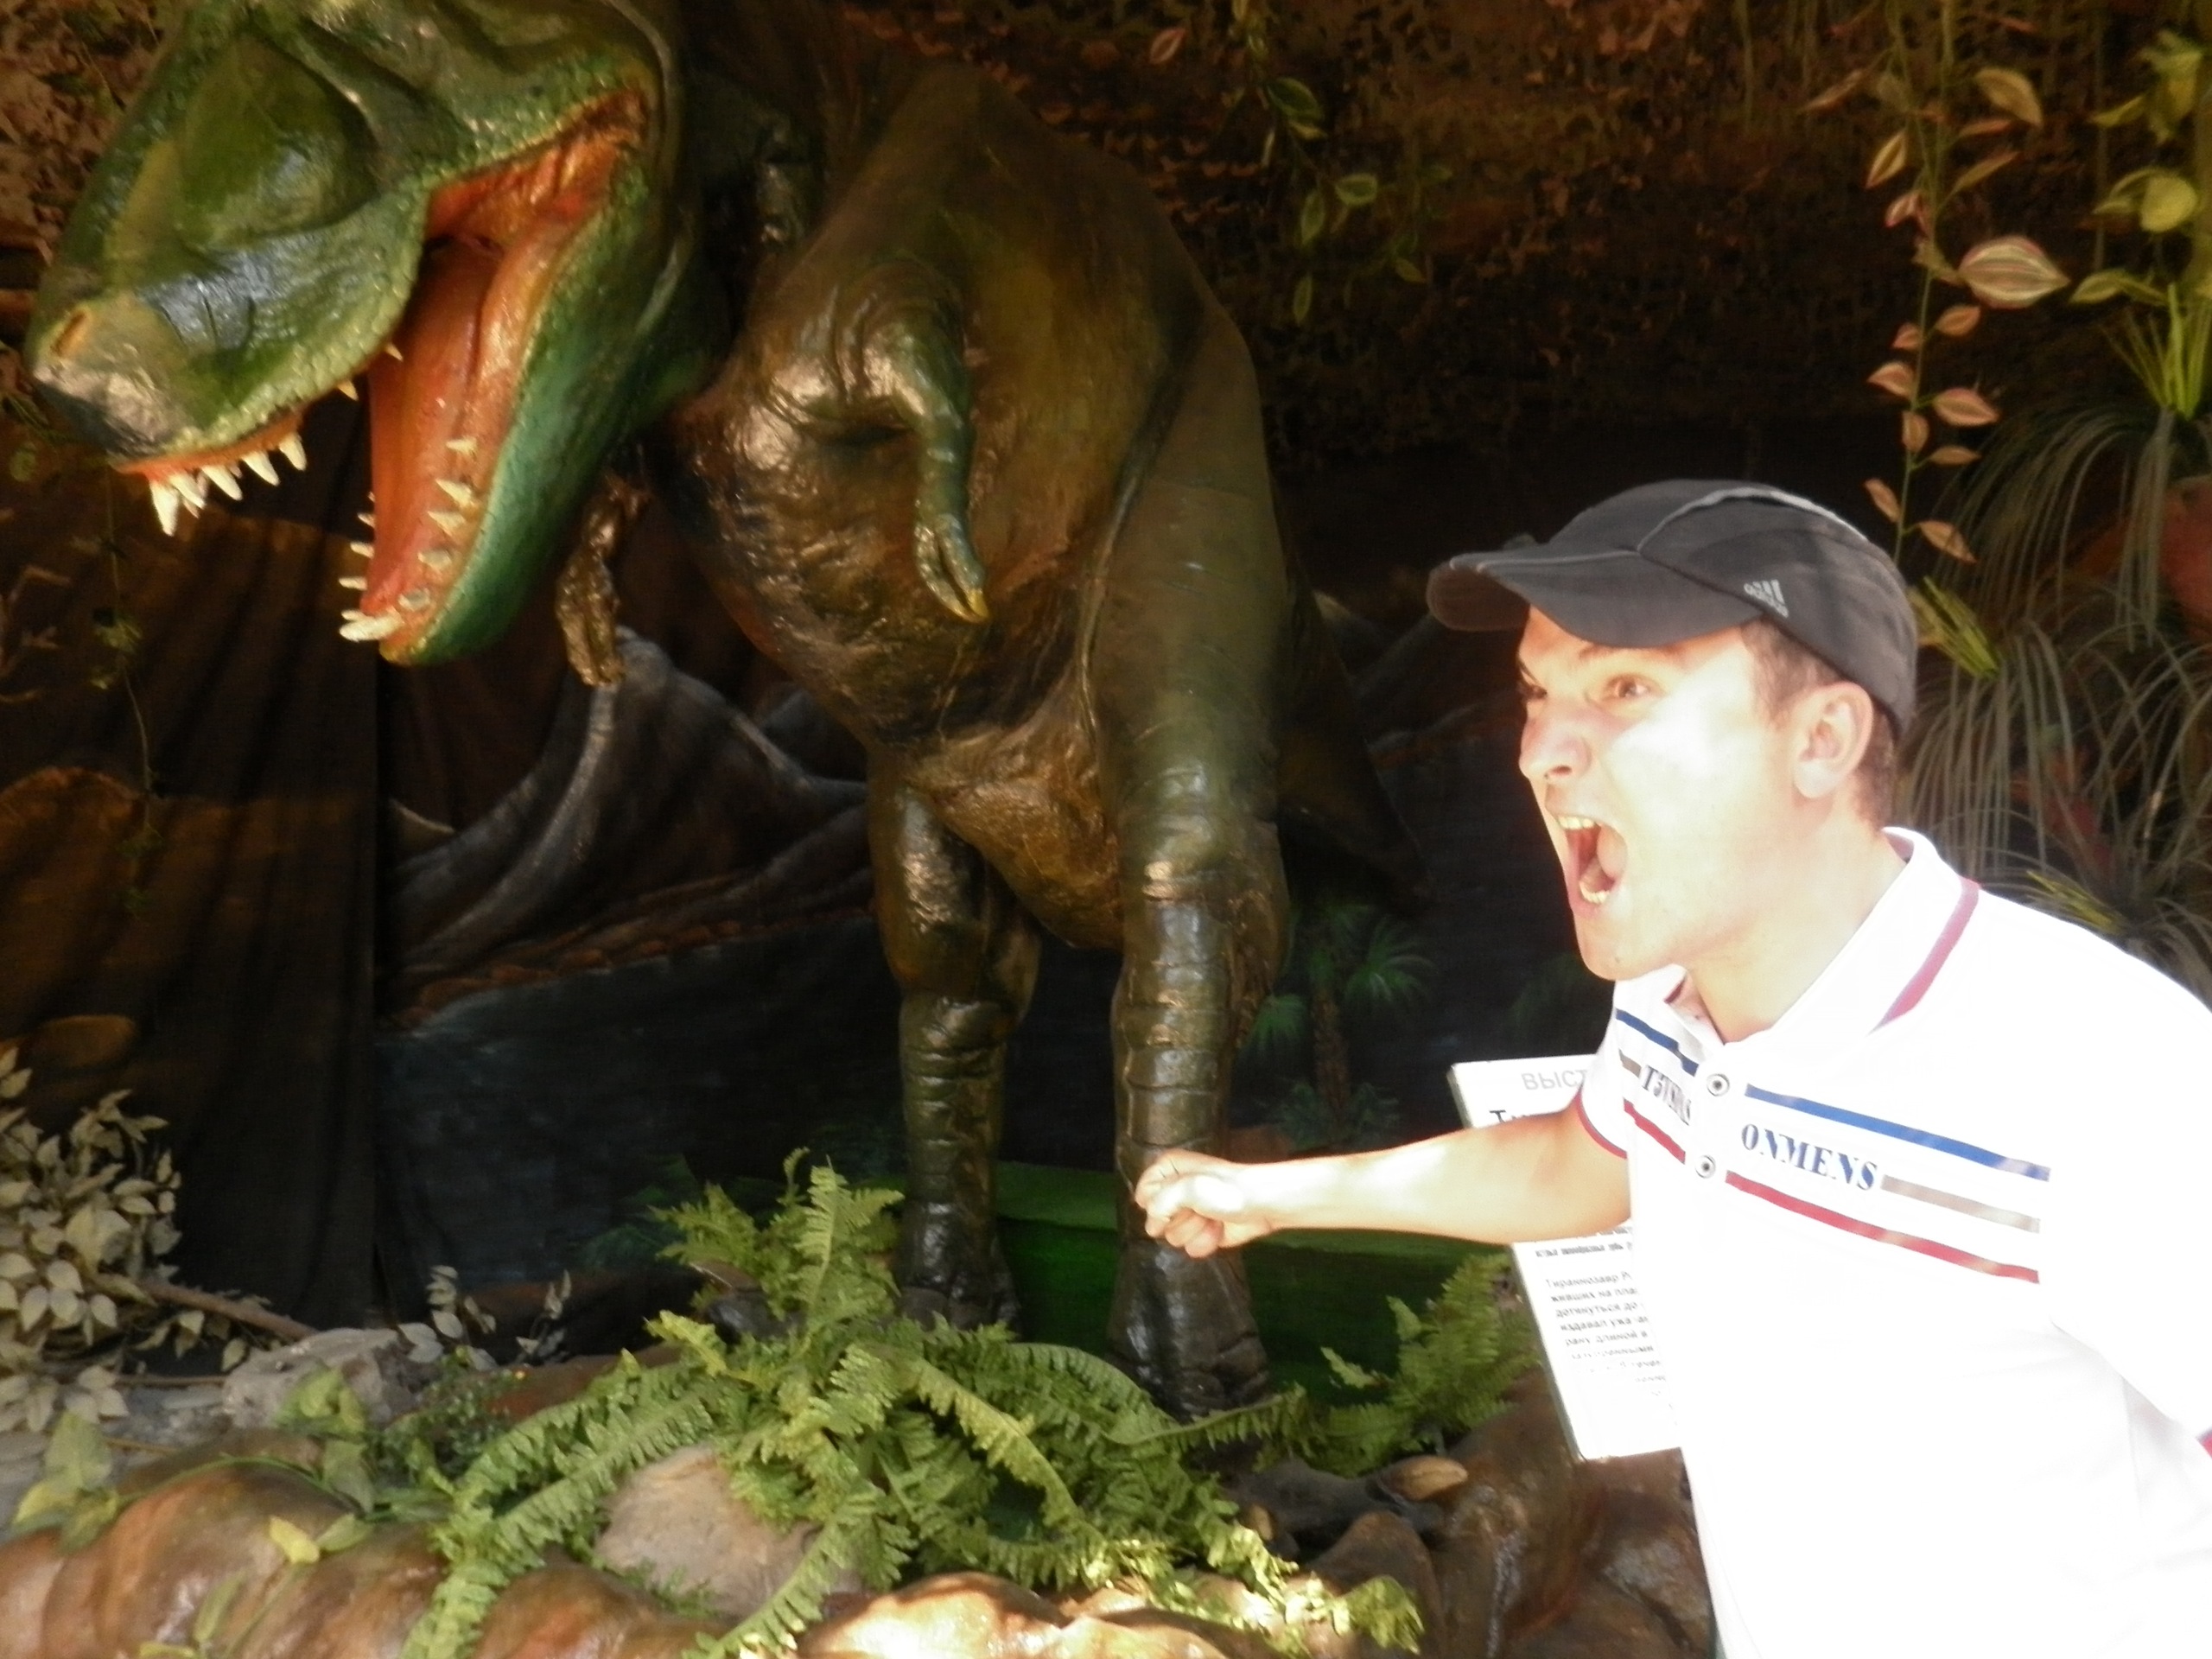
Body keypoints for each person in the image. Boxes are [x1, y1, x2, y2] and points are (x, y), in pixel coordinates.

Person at [1134, 480, 2212, 1659]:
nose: (1540, 751)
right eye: (1538, 694)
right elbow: (1580, 1162)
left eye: (1624, 690)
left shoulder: (2104, 1077)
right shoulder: (1668, 990)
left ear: (1822, 741)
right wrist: (1278, 1195)